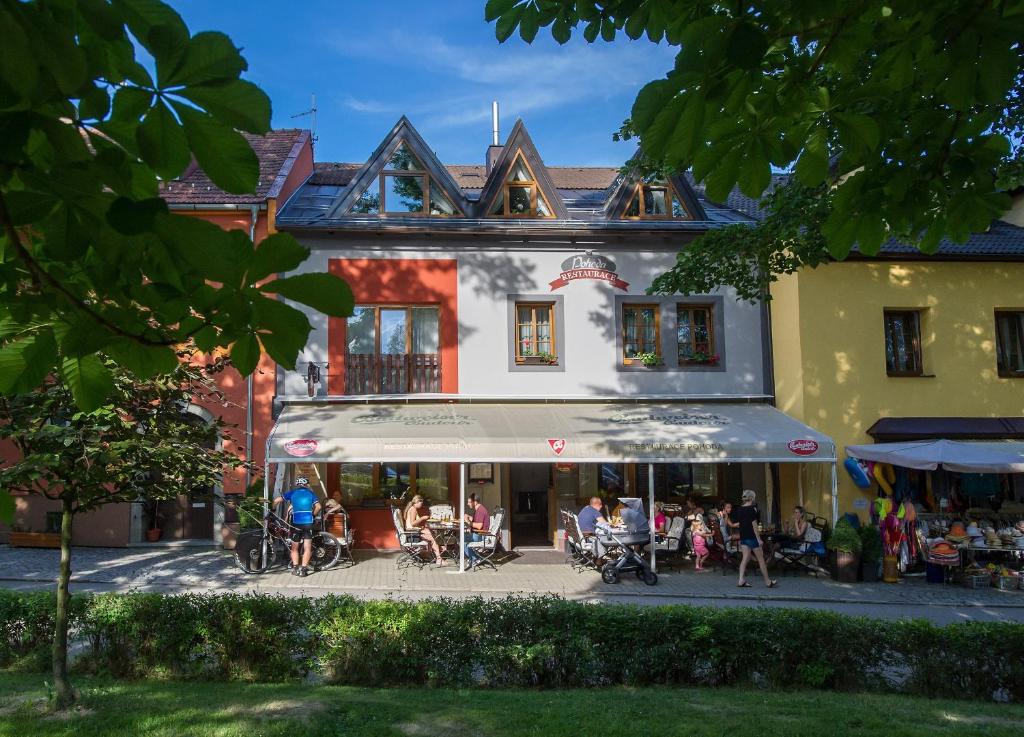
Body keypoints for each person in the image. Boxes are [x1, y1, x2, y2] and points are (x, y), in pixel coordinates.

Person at [274, 476, 321, 577]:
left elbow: (277, 500)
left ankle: (295, 568)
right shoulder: (311, 493)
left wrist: (273, 508)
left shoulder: (292, 493)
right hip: (308, 523)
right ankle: (303, 570)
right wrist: (313, 514)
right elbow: (319, 506)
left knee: (294, 548)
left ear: (297, 485)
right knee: (307, 547)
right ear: (307, 484)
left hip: (296, 523)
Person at [735, 489, 777, 588]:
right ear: (752, 498)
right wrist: (758, 539)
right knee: (761, 559)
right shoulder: (752, 509)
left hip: (743, 536)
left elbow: (741, 523)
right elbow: (754, 525)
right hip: (752, 537)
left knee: (745, 558)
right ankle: (767, 581)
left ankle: (741, 580)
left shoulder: (739, 509)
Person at [404, 494, 445, 565]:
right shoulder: (413, 509)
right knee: (432, 537)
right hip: (412, 534)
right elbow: (413, 523)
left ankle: (431, 554)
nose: (421, 505)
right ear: (417, 502)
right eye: (421, 503)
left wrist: (421, 527)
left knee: (432, 533)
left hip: (413, 531)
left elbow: (412, 524)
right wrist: (422, 518)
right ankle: (439, 558)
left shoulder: (413, 509)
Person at [462, 493, 491, 569]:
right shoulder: (479, 509)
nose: (467, 504)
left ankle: (475, 558)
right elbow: (477, 521)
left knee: (462, 540)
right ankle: (473, 558)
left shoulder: (480, 511)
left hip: (481, 536)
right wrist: (469, 517)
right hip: (479, 534)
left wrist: (468, 522)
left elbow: (479, 526)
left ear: (475, 502)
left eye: (469, 502)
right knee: (463, 538)